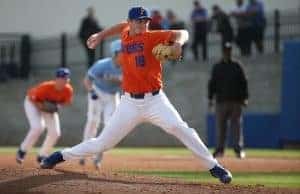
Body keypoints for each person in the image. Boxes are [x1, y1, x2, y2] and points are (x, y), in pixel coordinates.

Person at [41, 6, 232, 184]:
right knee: (102, 144)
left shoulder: (152, 37)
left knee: (180, 128)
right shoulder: (125, 33)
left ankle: (214, 166)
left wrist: (178, 44)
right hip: (129, 103)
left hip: (155, 100)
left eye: (145, 21)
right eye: (139, 21)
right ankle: (60, 156)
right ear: (130, 23)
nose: (143, 24)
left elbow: (183, 33)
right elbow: (120, 26)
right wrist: (101, 35)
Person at [79, 39, 123, 169]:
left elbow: (127, 81)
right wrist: (91, 91)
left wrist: (116, 79)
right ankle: (83, 153)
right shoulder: (102, 64)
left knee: (110, 125)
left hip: (112, 96)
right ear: (115, 53)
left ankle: (98, 157)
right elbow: (87, 80)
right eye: (123, 52)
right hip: (97, 92)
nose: (127, 54)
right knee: (93, 121)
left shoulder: (128, 66)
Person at [16, 67, 73, 164]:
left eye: (65, 78)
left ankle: (42, 155)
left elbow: (64, 103)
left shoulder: (68, 90)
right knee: (38, 127)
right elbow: (33, 99)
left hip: (47, 108)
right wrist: (45, 107)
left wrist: (55, 107)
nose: (63, 80)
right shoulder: (46, 87)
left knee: (55, 133)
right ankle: (22, 151)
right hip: (32, 103)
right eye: (60, 78)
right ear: (56, 79)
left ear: (68, 80)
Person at [208, 42, 248, 159]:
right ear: (223, 52)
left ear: (231, 52)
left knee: (236, 126)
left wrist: (245, 98)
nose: (227, 52)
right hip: (221, 101)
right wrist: (210, 98)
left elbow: (243, 83)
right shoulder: (217, 67)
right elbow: (212, 84)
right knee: (221, 127)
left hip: (236, 101)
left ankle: (238, 149)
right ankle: (220, 149)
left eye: (229, 50)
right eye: (226, 50)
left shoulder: (237, 66)